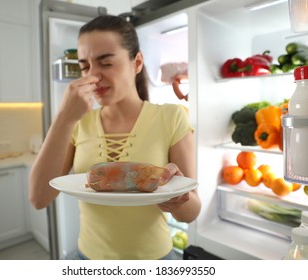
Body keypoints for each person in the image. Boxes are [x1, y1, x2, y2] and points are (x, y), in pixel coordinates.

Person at [29, 15, 201, 260]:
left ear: (137, 62)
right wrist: (63, 118)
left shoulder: (170, 117)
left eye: (106, 63)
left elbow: (191, 212)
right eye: (85, 66)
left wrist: (179, 197)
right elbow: (39, 198)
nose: (93, 76)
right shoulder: (78, 122)